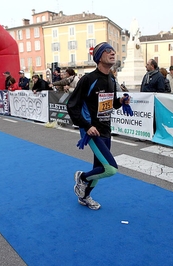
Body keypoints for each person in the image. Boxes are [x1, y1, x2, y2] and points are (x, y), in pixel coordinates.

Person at [67, 42, 129, 210]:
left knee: (99, 168)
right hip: (91, 131)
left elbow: (109, 105)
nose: (113, 53)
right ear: (99, 56)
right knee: (110, 169)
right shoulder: (88, 79)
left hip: (105, 129)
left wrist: (120, 101)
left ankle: (85, 197)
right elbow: (72, 105)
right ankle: (82, 177)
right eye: (107, 51)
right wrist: (86, 126)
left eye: (113, 50)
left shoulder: (111, 78)